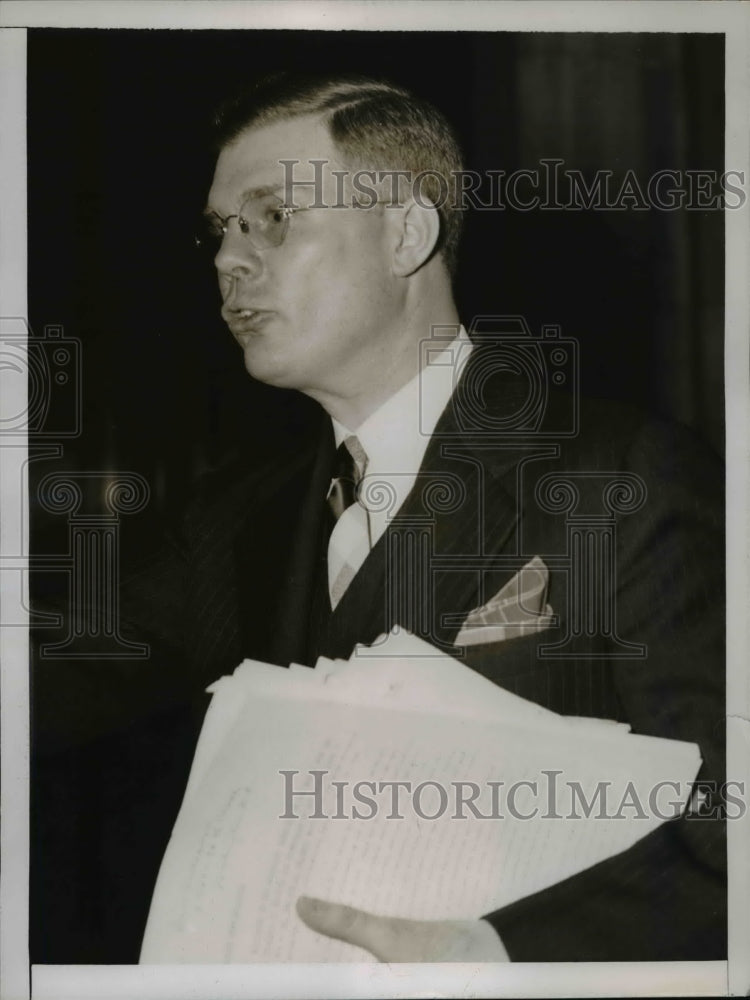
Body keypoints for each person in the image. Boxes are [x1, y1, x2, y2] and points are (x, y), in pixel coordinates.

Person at [32, 72, 726, 964]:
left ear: (406, 232)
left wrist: (500, 952)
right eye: (221, 229)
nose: (227, 260)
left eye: (273, 216)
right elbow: (54, 666)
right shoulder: (239, 517)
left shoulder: (622, 474)